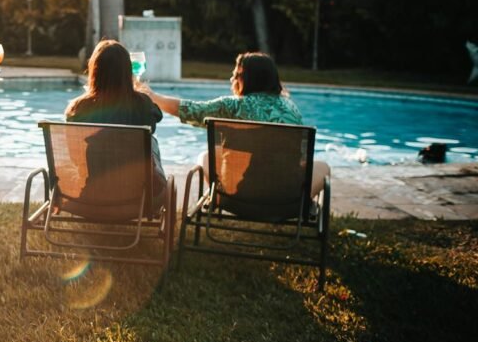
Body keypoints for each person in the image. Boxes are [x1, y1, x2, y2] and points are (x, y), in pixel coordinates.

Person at [139, 51, 330, 195]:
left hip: (239, 195)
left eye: (237, 75)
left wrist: (153, 97)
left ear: (249, 79)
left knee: (206, 157)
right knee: (323, 167)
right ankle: (295, 202)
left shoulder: (233, 107)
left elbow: (192, 110)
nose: (232, 79)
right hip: (286, 197)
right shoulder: (291, 109)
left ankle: (220, 197)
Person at [65, 40, 168, 213]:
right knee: (151, 141)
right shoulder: (142, 104)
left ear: (94, 71)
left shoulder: (77, 109)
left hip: (91, 195)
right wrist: (139, 91)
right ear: (127, 71)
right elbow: (156, 116)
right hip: (137, 198)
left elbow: (76, 159)